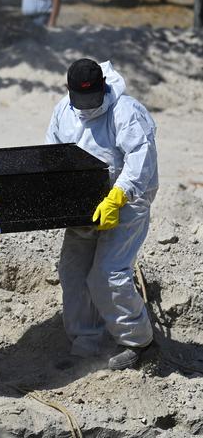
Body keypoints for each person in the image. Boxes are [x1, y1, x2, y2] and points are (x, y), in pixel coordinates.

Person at [46, 59, 158, 370]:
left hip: (127, 201)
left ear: (103, 89)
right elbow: (54, 152)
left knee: (108, 273)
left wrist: (117, 196)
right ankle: (87, 341)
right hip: (83, 203)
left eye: (92, 99)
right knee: (73, 271)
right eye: (79, 99)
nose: (86, 106)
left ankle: (140, 343)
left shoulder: (127, 111)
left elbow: (141, 158)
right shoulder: (62, 111)